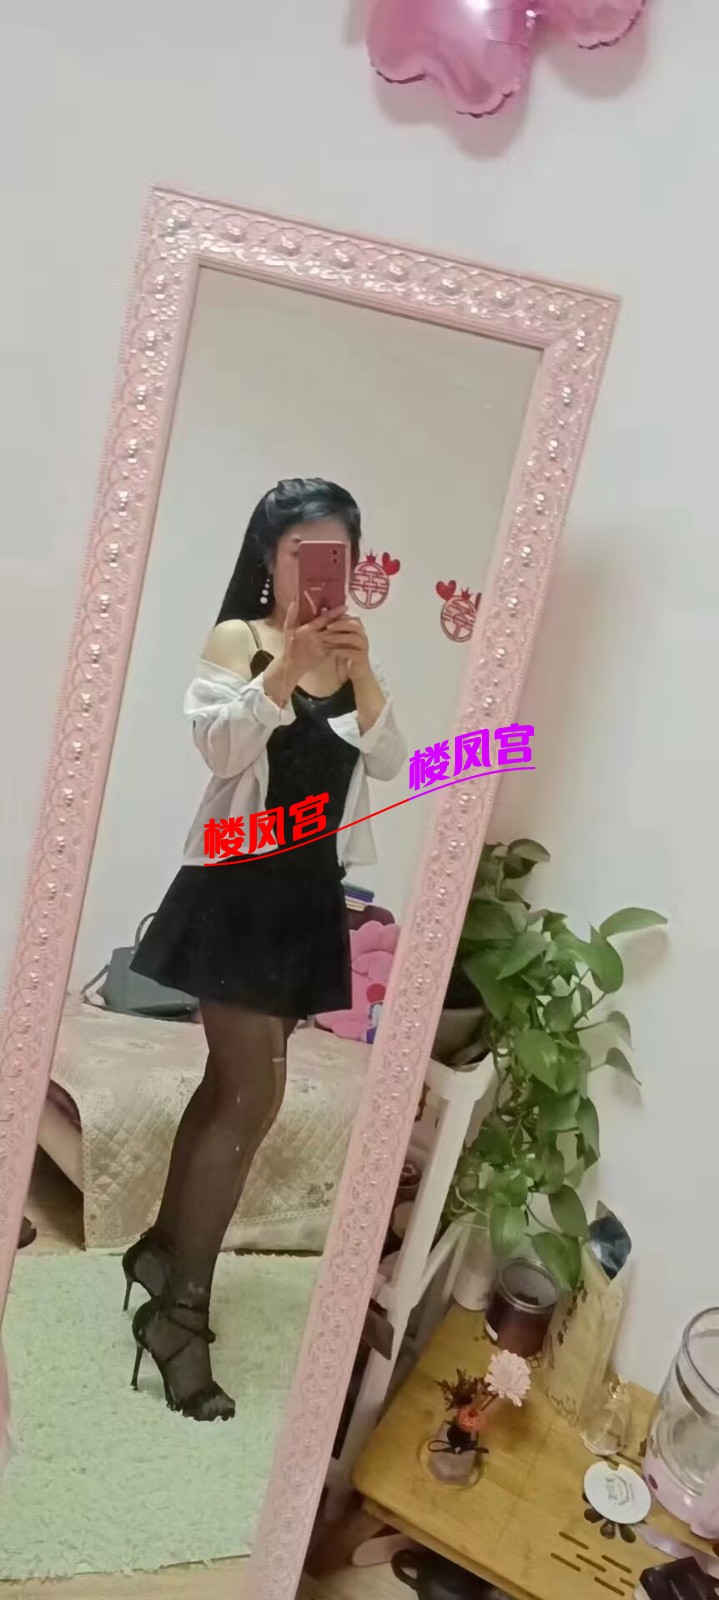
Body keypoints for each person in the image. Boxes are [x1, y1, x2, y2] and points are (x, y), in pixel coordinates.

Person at [123, 478, 406, 1421]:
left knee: (225, 1087)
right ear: (269, 557)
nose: (320, 571)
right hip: (237, 889)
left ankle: (161, 1251)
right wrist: (284, 666)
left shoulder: (354, 652)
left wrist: (361, 671)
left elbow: (393, 762)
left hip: (305, 899)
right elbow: (220, 751)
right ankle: (177, 1317)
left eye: (337, 555)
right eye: (301, 553)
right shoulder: (237, 642)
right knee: (254, 1096)